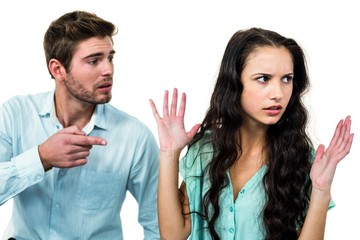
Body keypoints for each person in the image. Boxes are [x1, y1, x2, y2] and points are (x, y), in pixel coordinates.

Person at [149, 28, 354, 239]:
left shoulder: (301, 158)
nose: (278, 94)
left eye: (286, 79)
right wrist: (169, 153)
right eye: (263, 79)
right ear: (235, 82)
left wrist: (321, 189)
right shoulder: (205, 150)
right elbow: (173, 235)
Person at [0, 11, 159, 239]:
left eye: (110, 58)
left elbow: (157, 224)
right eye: (94, 61)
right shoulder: (15, 114)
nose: (108, 70)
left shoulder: (135, 137)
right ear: (57, 69)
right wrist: (41, 157)